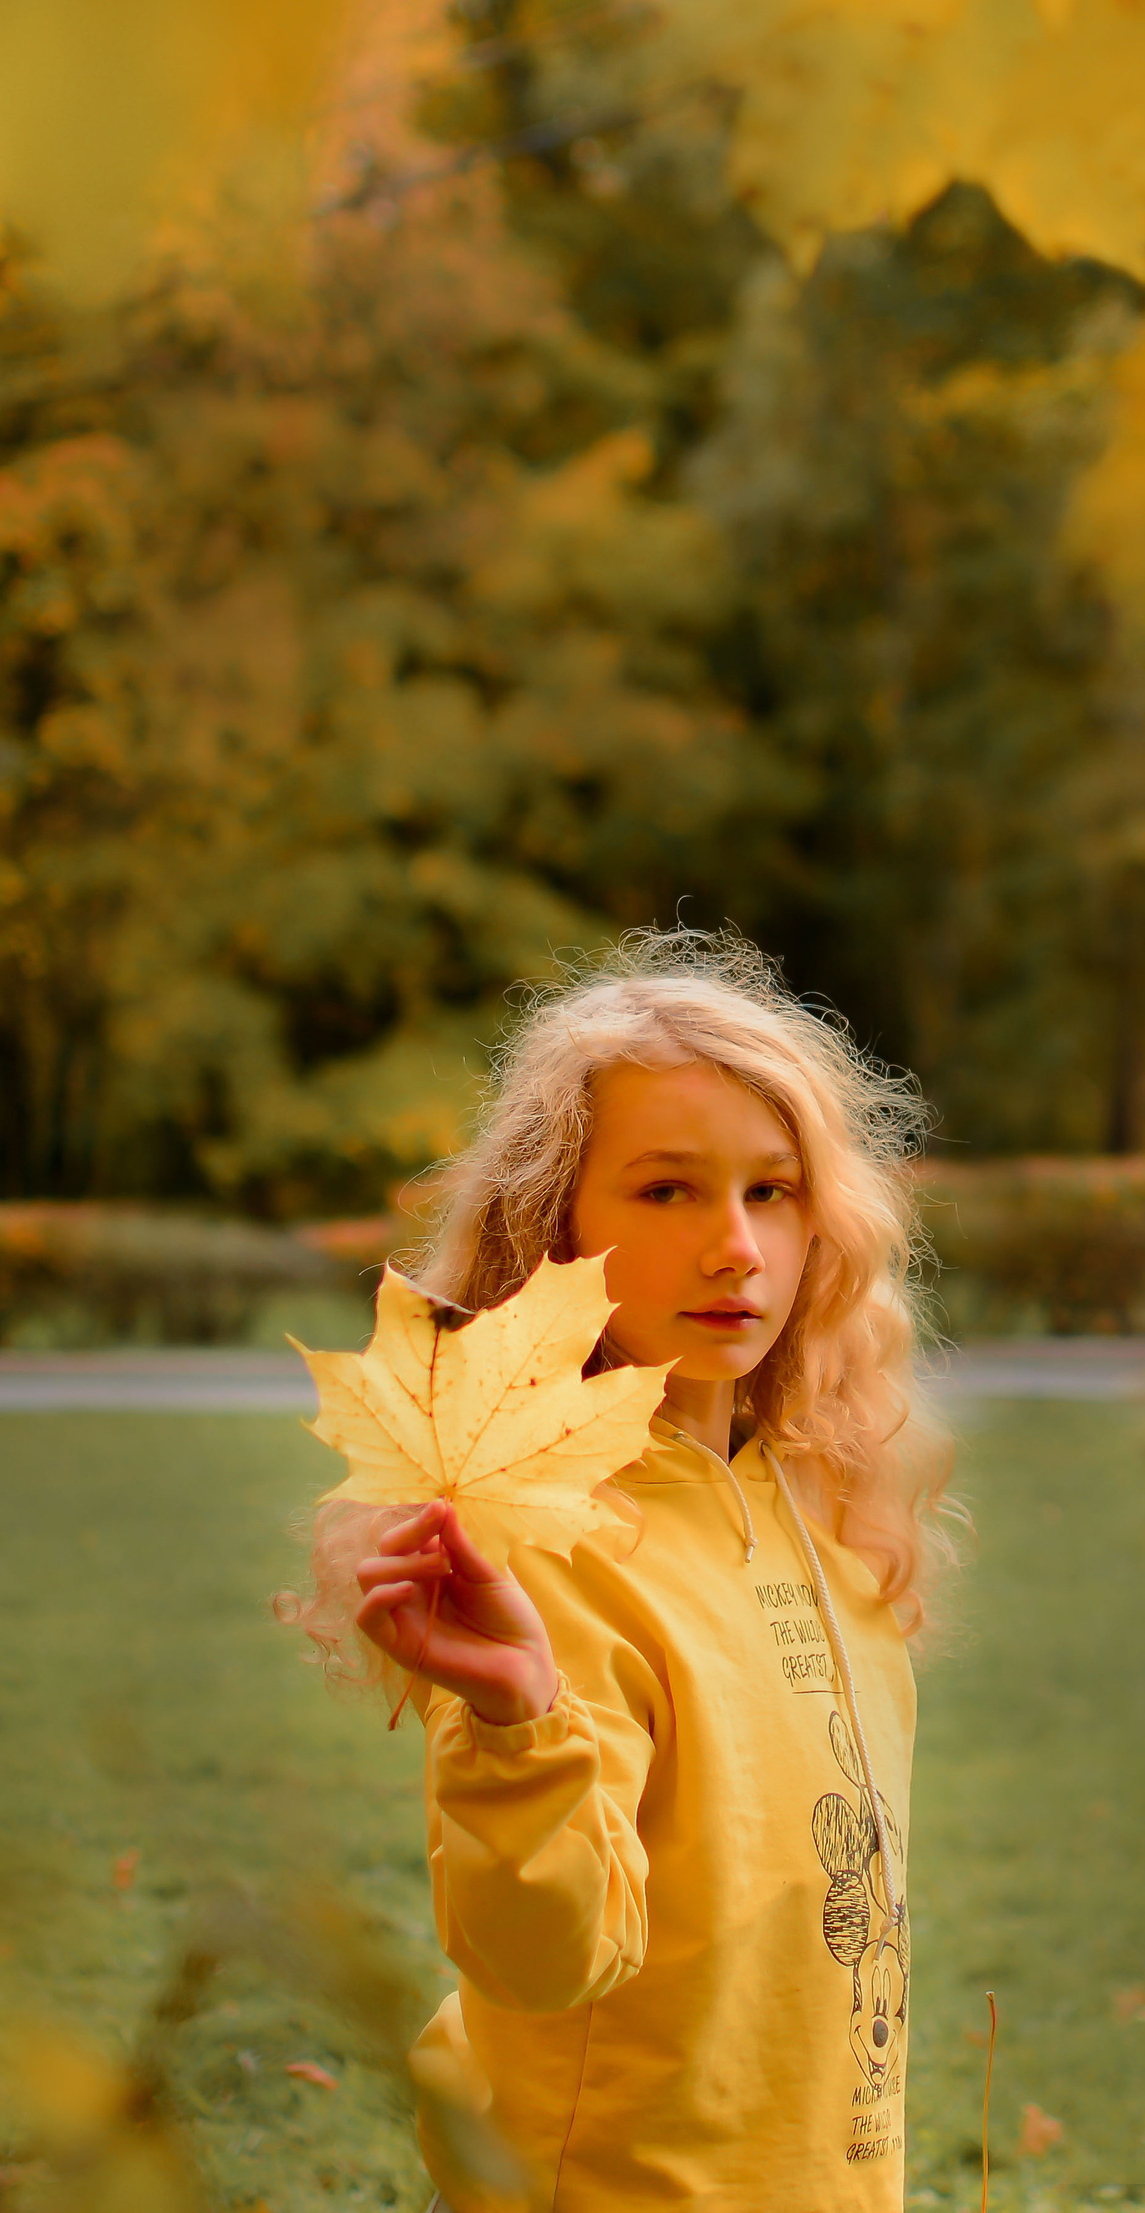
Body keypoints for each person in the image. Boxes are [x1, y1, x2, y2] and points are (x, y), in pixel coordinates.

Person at [288, 930, 957, 2213]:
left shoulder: (810, 1495)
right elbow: (546, 1956)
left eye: (773, 1189)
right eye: (665, 1191)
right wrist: (514, 1716)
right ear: (556, 1227)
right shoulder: (538, 1538)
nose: (736, 1247)